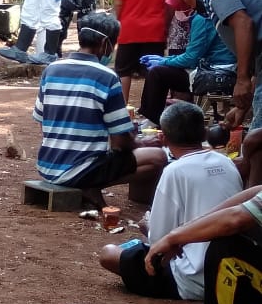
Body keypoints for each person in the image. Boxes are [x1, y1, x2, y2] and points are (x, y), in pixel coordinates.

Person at [99, 102, 242, 301]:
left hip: (195, 279)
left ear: (163, 138)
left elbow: (159, 241)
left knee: (109, 253)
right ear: (204, 134)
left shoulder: (175, 171)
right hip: (236, 273)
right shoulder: (227, 163)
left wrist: (147, 226)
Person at [33, 11, 167, 208]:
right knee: (157, 157)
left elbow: (42, 119)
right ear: (105, 43)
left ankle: (89, 182)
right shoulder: (107, 77)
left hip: (47, 166)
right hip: (81, 169)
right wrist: (140, 142)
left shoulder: (51, 69)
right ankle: (90, 186)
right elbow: (120, 142)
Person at [145, 185, 262, 304]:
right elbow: (254, 194)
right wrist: (185, 231)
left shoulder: (174, 171)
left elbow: (236, 219)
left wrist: (172, 237)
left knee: (227, 252)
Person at [173, 0, 262, 130]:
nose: (185, 4)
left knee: (257, 138)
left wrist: (241, 79)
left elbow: (244, 23)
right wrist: (241, 108)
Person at [137, 13, 236, 127]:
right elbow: (194, 54)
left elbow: (191, 58)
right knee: (161, 70)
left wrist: (163, 61)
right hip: (221, 69)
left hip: (215, 72)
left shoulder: (202, 19)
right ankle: (152, 117)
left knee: (157, 73)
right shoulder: (220, 14)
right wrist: (166, 59)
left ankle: (153, 119)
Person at [112, 0, 174, 103]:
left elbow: (118, 5)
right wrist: (165, 27)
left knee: (123, 70)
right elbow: (170, 7)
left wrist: (119, 22)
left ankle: (122, 107)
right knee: (152, 71)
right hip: (155, 30)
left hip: (128, 30)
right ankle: (150, 109)